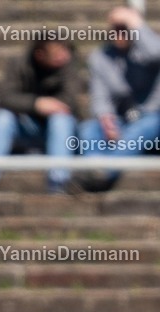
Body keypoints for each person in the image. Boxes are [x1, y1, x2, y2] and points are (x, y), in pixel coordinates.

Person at [76, 6, 160, 192]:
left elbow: (155, 52)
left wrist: (134, 23)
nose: (119, 34)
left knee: (144, 126)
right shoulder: (100, 57)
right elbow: (100, 96)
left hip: (153, 120)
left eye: (124, 29)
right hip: (123, 120)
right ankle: (94, 167)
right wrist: (107, 120)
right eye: (116, 28)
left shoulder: (149, 49)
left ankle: (104, 172)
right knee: (89, 128)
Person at [0, 38, 81, 194]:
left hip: (63, 131)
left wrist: (51, 106)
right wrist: (36, 104)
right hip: (26, 127)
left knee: (60, 119)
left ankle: (58, 182)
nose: (63, 56)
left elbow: (70, 102)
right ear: (40, 54)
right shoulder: (19, 65)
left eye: (64, 51)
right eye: (56, 54)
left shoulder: (68, 65)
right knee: (3, 117)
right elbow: (6, 97)